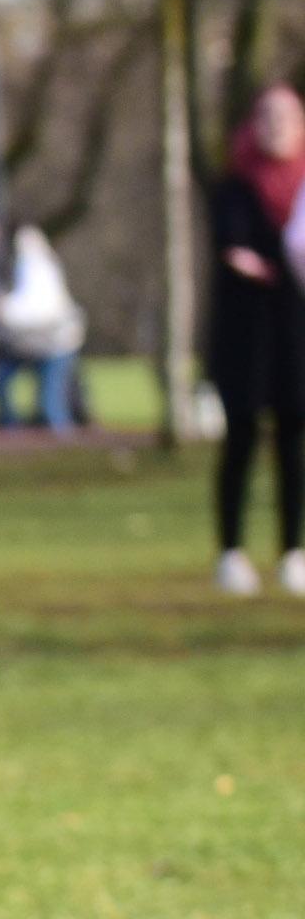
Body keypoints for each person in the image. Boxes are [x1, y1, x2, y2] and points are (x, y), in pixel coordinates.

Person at [211, 81, 305, 595]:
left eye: (286, 117)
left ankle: (292, 549)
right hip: (245, 331)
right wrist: (244, 260)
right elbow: (228, 243)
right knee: (242, 435)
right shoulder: (235, 184)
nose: (276, 127)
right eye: (267, 116)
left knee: (293, 437)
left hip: (295, 326)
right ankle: (231, 550)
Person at [0, 221, 87, 433]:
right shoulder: (12, 268)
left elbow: (36, 308)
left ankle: (63, 445)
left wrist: (3, 309)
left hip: (55, 345)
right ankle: (11, 435)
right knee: (1, 381)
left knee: (49, 402)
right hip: (27, 345)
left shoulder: (36, 265)